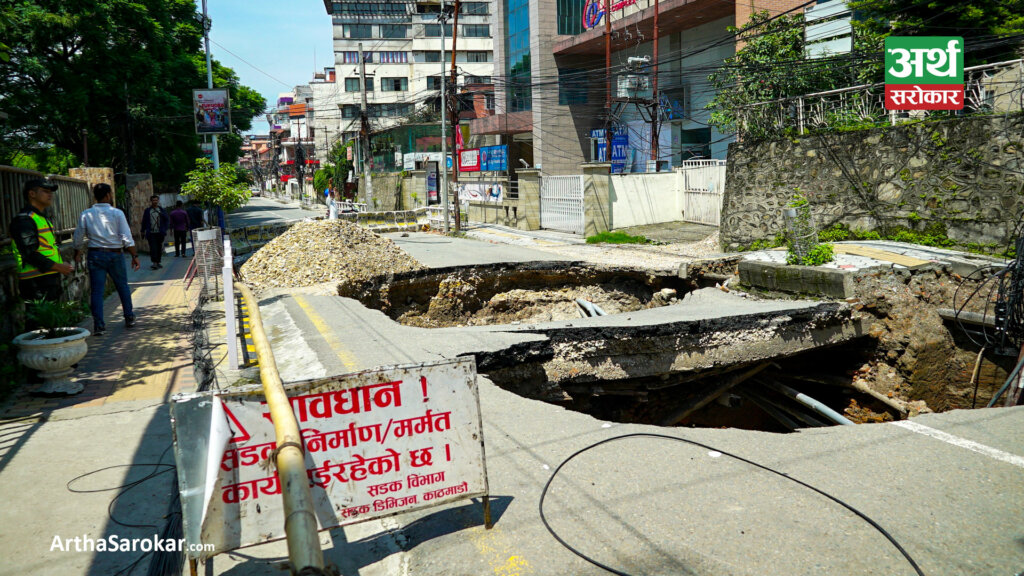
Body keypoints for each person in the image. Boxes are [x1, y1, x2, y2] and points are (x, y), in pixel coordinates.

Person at [72, 183, 140, 335]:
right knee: (122, 286)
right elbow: (126, 237)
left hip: (95, 254)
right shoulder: (117, 213)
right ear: (109, 195)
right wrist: (134, 255)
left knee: (97, 291)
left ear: (95, 196)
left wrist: (76, 252)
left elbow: (78, 237)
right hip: (115, 254)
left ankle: (99, 325)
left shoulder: (86, 214)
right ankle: (129, 317)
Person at [9, 178, 74, 306]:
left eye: (51, 191)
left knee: (50, 324)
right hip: (35, 282)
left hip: (47, 279)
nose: (50, 194)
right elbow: (30, 254)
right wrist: (58, 266)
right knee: (39, 324)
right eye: (45, 191)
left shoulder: (40, 218)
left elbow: (48, 248)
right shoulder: (25, 220)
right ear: (31, 194)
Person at [140, 195, 169, 269]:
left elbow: (167, 220)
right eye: (153, 200)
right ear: (151, 201)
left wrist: (165, 229)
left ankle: (158, 262)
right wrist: (142, 231)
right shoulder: (148, 211)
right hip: (151, 233)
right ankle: (154, 262)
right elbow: (144, 221)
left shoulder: (162, 210)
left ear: (158, 201)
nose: (155, 202)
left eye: (156, 200)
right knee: (153, 248)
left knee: (159, 248)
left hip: (160, 232)